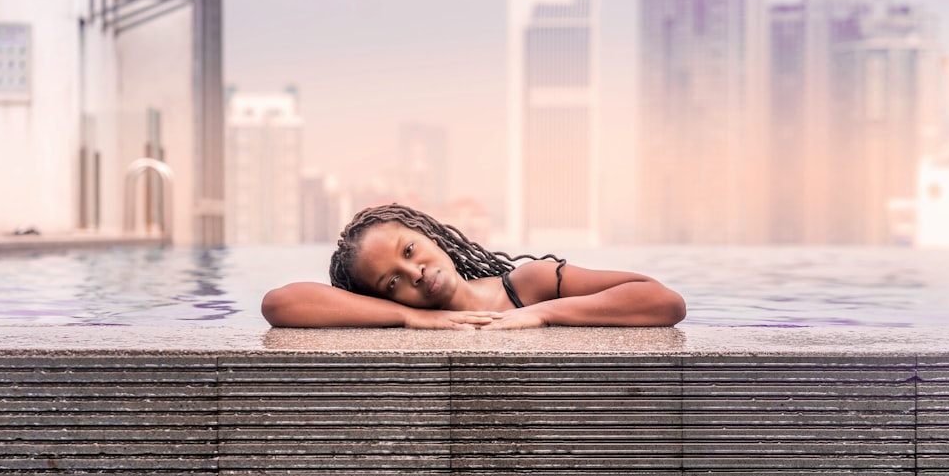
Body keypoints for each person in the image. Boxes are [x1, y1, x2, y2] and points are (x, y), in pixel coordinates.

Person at [261, 203, 686, 329]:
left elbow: (663, 302)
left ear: (431, 236)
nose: (415, 273)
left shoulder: (527, 284)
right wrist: (410, 318)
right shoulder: (403, 316)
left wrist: (541, 313)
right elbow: (279, 305)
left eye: (409, 251)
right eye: (392, 281)